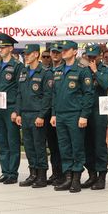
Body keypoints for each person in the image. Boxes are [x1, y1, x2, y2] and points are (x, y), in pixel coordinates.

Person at [50, 41, 93, 193]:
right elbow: (55, 94)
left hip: (75, 114)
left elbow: (88, 94)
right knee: (64, 147)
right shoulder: (58, 70)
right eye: (62, 50)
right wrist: (54, 114)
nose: (63, 52)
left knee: (77, 147)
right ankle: (68, 177)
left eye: (67, 50)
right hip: (61, 114)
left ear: (75, 51)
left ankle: (76, 178)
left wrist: (84, 115)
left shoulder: (82, 70)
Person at [13, 44, 51, 188]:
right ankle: (32, 173)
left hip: (37, 114)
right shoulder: (24, 71)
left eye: (28, 54)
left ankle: (41, 175)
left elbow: (47, 97)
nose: (26, 57)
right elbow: (19, 94)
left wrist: (42, 115)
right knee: (28, 146)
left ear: (36, 54)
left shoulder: (45, 72)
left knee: (39, 146)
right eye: (24, 54)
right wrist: (18, 112)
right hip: (25, 114)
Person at [0, 33, 23, 184]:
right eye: (0, 47)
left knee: (13, 141)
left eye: (3, 47)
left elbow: (20, 90)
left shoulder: (17, 66)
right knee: (2, 141)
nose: (1, 49)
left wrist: (17, 110)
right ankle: (5, 171)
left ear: (11, 48)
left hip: (10, 107)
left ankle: (12, 173)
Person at [80, 43, 108, 190]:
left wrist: (95, 72)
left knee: (99, 145)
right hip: (85, 111)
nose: (91, 59)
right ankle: (91, 174)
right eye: (89, 56)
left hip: (99, 110)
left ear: (100, 56)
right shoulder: (82, 69)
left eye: (94, 56)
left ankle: (102, 176)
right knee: (86, 144)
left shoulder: (104, 69)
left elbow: (106, 85)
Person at [44, 42, 64, 183]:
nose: (55, 55)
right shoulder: (47, 71)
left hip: (61, 112)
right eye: (53, 52)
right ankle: (55, 172)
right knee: (52, 145)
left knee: (62, 145)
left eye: (58, 52)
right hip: (48, 113)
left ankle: (64, 174)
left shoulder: (65, 70)